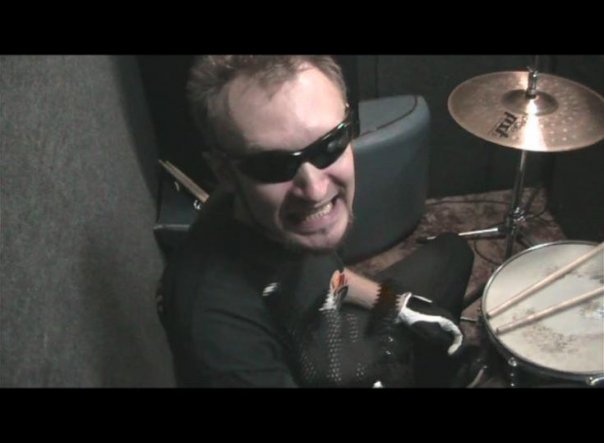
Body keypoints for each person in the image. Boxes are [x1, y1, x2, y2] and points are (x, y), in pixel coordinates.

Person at [157, 55, 482, 387]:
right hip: (309, 362)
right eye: (273, 166)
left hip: (325, 321)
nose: (315, 190)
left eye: (330, 144)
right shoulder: (220, 332)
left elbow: (326, 276)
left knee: (453, 254)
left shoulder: (267, 217)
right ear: (224, 173)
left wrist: (397, 304)